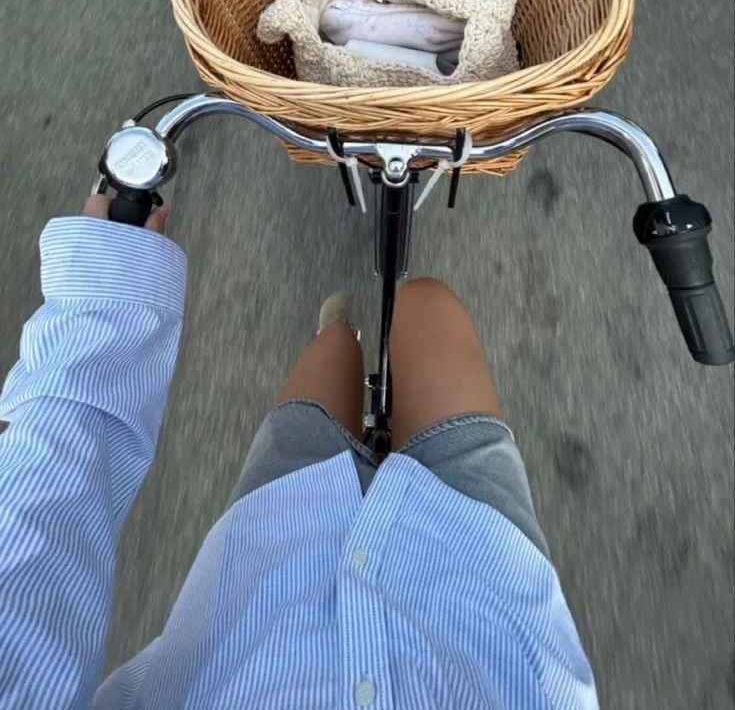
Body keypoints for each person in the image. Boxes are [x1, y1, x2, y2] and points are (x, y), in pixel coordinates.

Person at [0, 196, 598, 709]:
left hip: (275, 549)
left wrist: (107, 298)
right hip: (478, 576)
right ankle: (352, 334)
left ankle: (337, 334)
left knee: (334, 351)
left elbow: (28, 567)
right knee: (427, 302)